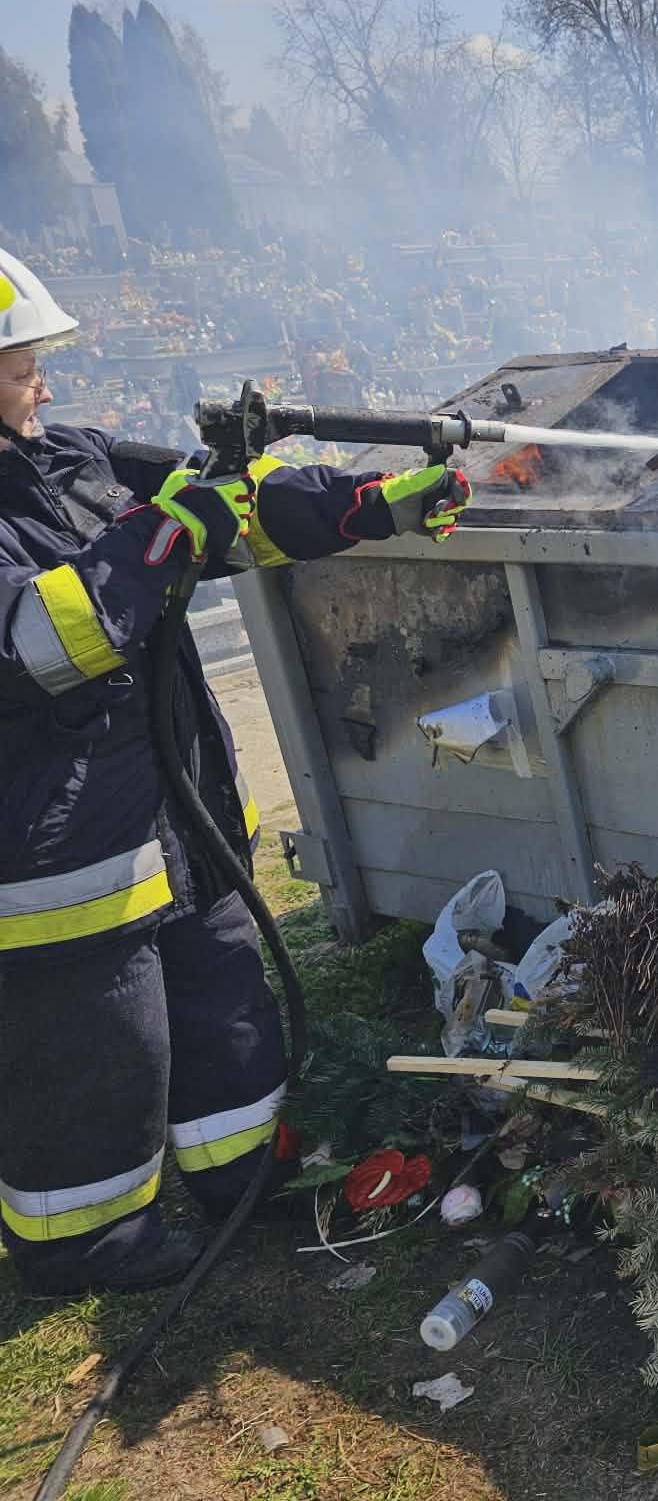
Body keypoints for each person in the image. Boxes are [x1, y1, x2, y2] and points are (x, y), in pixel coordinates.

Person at [0, 245, 469, 1295]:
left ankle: (238, 1173)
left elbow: (231, 503)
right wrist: (156, 542)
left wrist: (368, 505)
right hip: (52, 857)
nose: (44, 382)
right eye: (20, 364)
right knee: (91, 1053)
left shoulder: (69, 457)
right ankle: (83, 1242)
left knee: (222, 1001)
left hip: (173, 813)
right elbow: (35, 640)